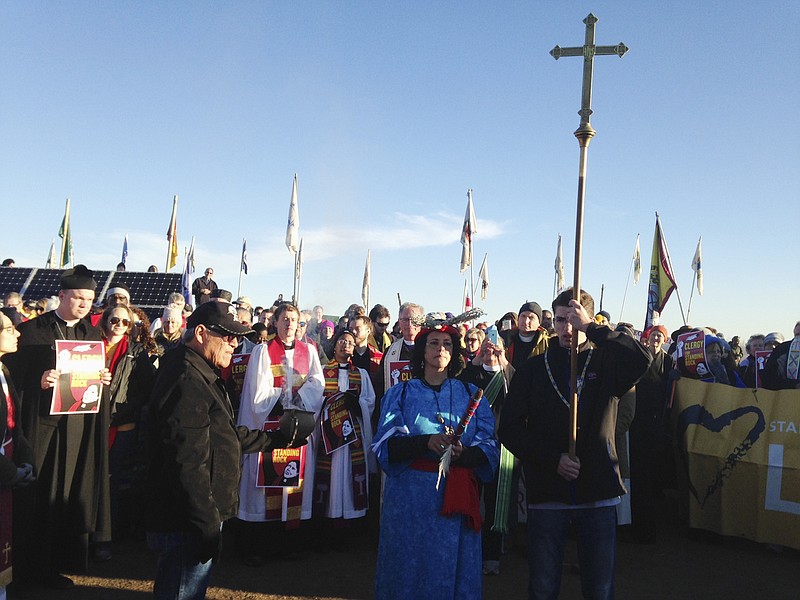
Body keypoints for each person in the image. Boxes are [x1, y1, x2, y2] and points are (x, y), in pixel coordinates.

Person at [146, 301, 306, 600]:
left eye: (237, 336)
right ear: (202, 333)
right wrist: (205, 523)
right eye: (227, 335)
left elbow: (224, 435)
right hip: (186, 521)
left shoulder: (200, 371)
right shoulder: (186, 378)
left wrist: (277, 440)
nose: (235, 342)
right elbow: (186, 462)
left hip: (194, 516)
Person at [498, 288, 651, 600]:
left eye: (573, 320)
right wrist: (552, 459)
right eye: (559, 320)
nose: (566, 328)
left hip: (598, 488)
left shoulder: (608, 362)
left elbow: (641, 360)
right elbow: (510, 429)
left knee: (599, 586)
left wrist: (594, 329)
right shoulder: (533, 369)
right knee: (542, 585)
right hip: (548, 490)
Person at [3, 265, 112, 590]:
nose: (84, 305)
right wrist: (38, 381)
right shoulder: (32, 331)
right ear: (62, 295)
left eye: (90, 300)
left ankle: (57, 564)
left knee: (68, 493)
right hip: (41, 430)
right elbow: (10, 377)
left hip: (77, 431)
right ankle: (26, 569)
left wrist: (101, 381)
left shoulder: (93, 335)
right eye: (78, 298)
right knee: (38, 496)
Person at [372, 324, 499, 599]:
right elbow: (385, 446)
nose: (441, 348)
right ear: (422, 350)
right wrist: (424, 442)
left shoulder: (471, 394)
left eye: (447, 344)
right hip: (409, 501)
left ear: (455, 352)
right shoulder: (401, 394)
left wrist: (463, 454)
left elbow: (490, 446)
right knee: (407, 569)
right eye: (433, 343)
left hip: (455, 499)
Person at [236, 303, 324, 558]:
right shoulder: (263, 352)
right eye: (284, 319)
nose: (289, 324)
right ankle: (262, 546)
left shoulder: (309, 351)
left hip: (298, 426)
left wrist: (297, 398)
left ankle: (290, 545)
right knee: (266, 486)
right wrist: (282, 398)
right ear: (275, 322)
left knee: (294, 485)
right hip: (271, 426)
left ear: (299, 324)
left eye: (293, 320)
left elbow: (317, 384)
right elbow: (257, 391)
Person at [99, 304, 156, 551]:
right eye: (115, 320)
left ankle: (108, 537)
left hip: (123, 425)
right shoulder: (89, 347)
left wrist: (130, 407)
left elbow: (148, 387)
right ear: (105, 321)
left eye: (125, 322)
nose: (119, 326)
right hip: (93, 424)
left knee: (114, 480)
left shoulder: (136, 352)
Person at [459, 330, 515, 576]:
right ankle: (469, 550)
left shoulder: (508, 375)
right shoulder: (474, 374)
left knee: (495, 504)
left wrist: (504, 362)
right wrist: (476, 361)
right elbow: (461, 390)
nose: (491, 352)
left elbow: (519, 393)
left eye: (495, 349)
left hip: (502, 447)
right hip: (475, 446)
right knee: (472, 498)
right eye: (487, 348)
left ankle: (492, 554)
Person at [314, 329, 376, 547]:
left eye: (350, 342)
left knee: (350, 480)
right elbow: (314, 401)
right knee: (329, 481)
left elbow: (369, 401)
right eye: (341, 341)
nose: (345, 345)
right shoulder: (322, 371)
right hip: (328, 439)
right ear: (335, 345)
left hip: (352, 440)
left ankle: (348, 530)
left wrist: (356, 404)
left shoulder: (361, 374)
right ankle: (327, 529)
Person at [626, 324, 675, 543]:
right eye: (653, 334)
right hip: (635, 418)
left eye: (660, 336)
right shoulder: (640, 356)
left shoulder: (669, 361)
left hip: (654, 422)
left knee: (648, 476)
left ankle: (647, 529)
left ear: (664, 340)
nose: (656, 338)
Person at [0, 312, 36, 598]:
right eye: (10, 329)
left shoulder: (4, 370)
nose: (18, 334)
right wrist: (11, 473)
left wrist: (25, 459)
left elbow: (15, 423)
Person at [506, 302, 549, 371]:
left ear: (539, 322)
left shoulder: (547, 343)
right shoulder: (507, 341)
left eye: (531, 317)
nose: (526, 321)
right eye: (523, 316)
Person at [762, 321, 800, 390]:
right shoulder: (782, 350)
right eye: (797, 335)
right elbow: (769, 379)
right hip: (786, 395)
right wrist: (794, 385)